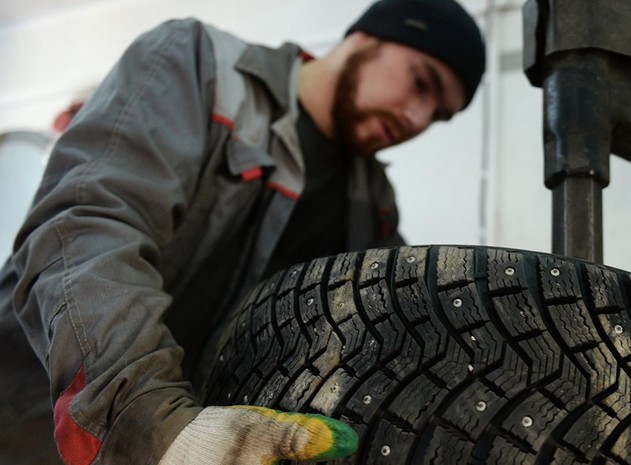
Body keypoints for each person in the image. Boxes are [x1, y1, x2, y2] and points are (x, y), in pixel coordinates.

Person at [0, 0, 486, 464]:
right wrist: (148, 420)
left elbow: (405, 330)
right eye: (421, 84)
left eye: (439, 116)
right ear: (366, 37)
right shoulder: (200, 66)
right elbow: (88, 228)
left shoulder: (373, 208)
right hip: (26, 423)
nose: (417, 118)